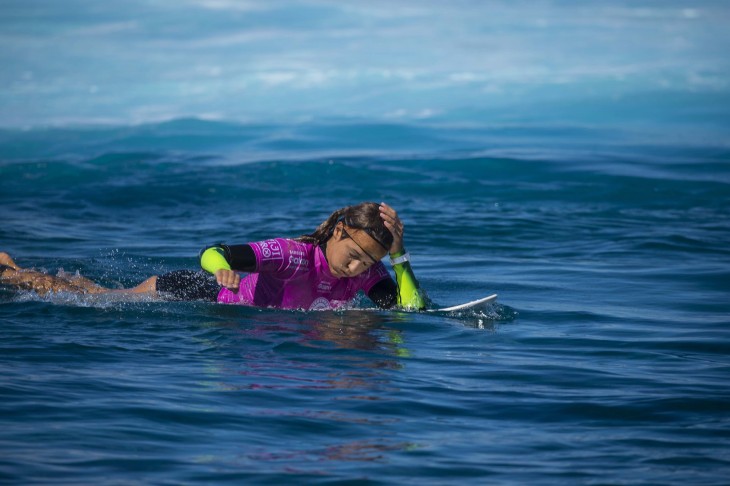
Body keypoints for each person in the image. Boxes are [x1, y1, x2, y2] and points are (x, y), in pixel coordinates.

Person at [0, 202, 426, 310]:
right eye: (353, 255)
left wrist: (399, 257)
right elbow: (213, 252)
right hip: (198, 292)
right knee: (96, 298)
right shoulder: (292, 256)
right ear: (337, 231)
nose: (356, 268)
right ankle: (12, 273)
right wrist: (223, 270)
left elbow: (409, 311)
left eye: (368, 263)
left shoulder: (366, 275)